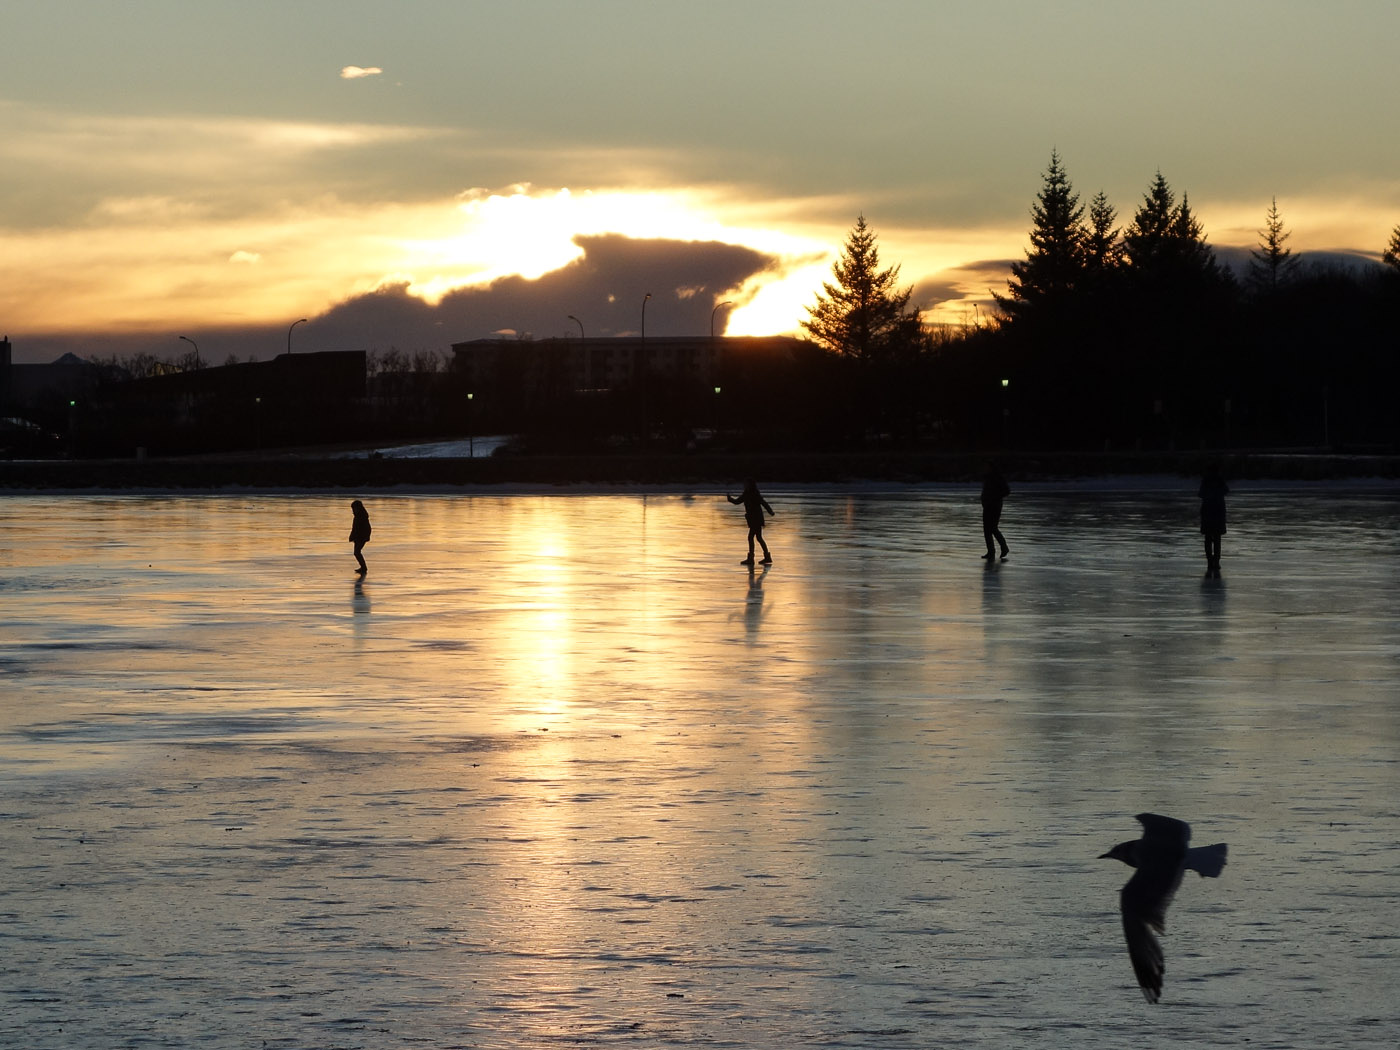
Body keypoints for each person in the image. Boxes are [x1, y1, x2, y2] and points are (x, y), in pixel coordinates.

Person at [728, 479, 774, 566]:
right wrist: (730, 499)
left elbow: (764, 503)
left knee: (752, 537)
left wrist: (770, 511)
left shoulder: (754, 494)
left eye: (746, 484)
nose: (744, 485)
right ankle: (764, 557)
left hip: (756, 519)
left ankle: (752, 558)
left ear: (750, 485)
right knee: (758, 538)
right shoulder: (746, 494)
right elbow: (737, 501)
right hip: (752, 519)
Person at [1198, 464, 1228, 577]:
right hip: (1218, 512)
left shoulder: (1206, 481)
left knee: (1208, 538)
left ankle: (1210, 561)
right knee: (1216, 538)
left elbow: (1200, 494)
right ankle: (1216, 561)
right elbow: (1226, 491)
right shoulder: (1219, 481)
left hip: (1208, 512)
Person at [980, 465, 1010, 561]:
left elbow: (1006, 491)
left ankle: (1004, 547)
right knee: (987, 530)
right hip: (987, 506)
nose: (985, 469)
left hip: (995, 506)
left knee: (992, 528)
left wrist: (994, 497)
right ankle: (991, 551)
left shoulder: (998, 478)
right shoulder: (987, 478)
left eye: (988, 467)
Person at [348, 499, 372, 575]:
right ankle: (363, 567)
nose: (353, 510)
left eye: (354, 508)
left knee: (357, 552)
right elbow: (354, 528)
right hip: (357, 537)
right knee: (357, 552)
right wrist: (352, 535)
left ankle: (364, 567)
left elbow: (367, 528)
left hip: (361, 537)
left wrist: (365, 536)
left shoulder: (362, 516)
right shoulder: (358, 516)